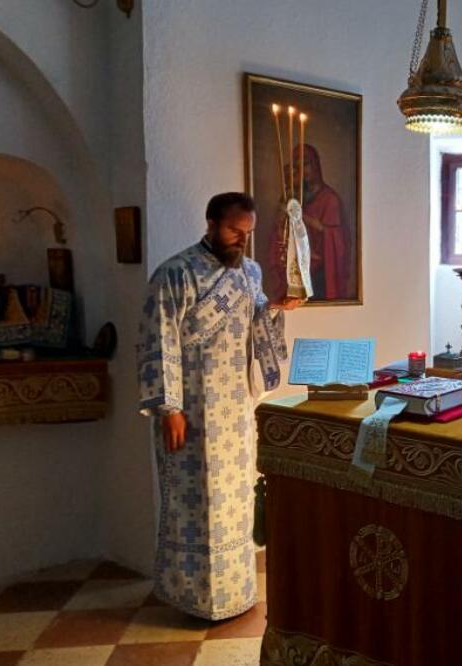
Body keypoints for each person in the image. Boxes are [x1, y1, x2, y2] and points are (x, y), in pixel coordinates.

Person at [137, 192, 301, 620]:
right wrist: (168, 408)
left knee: (235, 501)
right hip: (189, 409)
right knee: (193, 504)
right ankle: (192, 596)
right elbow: (159, 340)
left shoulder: (250, 271)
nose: (240, 240)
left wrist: (277, 308)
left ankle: (235, 593)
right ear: (210, 222)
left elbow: (255, 320)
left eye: (247, 233)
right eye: (233, 230)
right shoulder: (175, 273)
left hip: (235, 410)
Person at [296, 144, 352, 301]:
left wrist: (304, 218)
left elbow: (336, 237)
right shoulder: (298, 198)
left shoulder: (330, 199)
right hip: (301, 266)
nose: (303, 170)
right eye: (298, 166)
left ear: (315, 165)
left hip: (320, 269)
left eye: (306, 164)